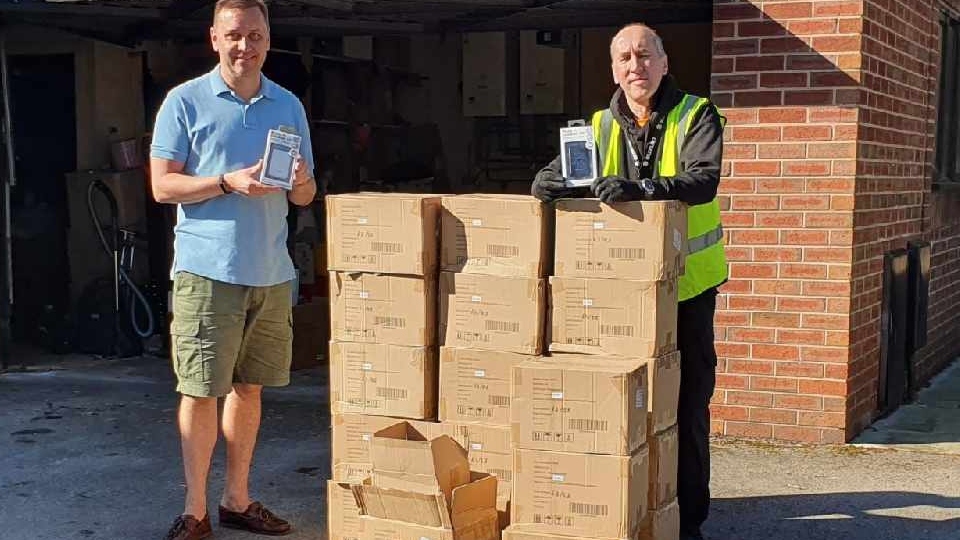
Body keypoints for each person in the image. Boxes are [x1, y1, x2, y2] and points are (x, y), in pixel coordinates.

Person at [531, 23, 727, 540]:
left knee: (685, 408)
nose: (634, 65)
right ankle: (630, 512)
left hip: (685, 291)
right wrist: (545, 183)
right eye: (624, 58)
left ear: (664, 62)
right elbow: (564, 174)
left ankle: (687, 522)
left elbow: (702, 181)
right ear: (613, 70)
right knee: (619, 407)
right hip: (617, 296)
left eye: (644, 55)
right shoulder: (598, 125)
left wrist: (640, 188)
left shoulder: (696, 114)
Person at [150, 1, 316, 538]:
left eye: (256, 35)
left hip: (270, 271)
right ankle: (195, 511)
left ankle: (236, 498)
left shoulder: (287, 104)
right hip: (207, 270)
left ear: (269, 40)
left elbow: (307, 194)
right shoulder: (185, 101)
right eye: (235, 35)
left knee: (250, 388)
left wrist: (298, 181)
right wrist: (226, 182)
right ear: (215, 39)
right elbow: (161, 186)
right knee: (200, 390)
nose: (246, 46)